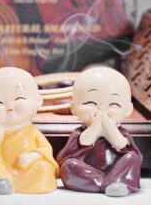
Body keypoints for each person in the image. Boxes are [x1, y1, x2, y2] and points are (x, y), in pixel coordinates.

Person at [0, 67, 58, 194]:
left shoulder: (34, 134)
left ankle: (29, 184)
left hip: (25, 170)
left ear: (38, 101)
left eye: (19, 98)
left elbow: (45, 150)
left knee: (44, 167)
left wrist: (31, 156)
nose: (9, 106)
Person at [56, 66, 142, 197]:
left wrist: (110, 129)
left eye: (114, 104)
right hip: (88, 172)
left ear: (128, 110)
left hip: (117, 171)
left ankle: (116, 181)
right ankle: (108, 184)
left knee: (132, 157)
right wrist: (95, 127)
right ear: (73, 108)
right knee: (68, 166)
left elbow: (126, 148)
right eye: (91, 103)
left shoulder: (123, 133)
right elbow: (65, 157)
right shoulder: (78, 134)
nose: (102, 109)